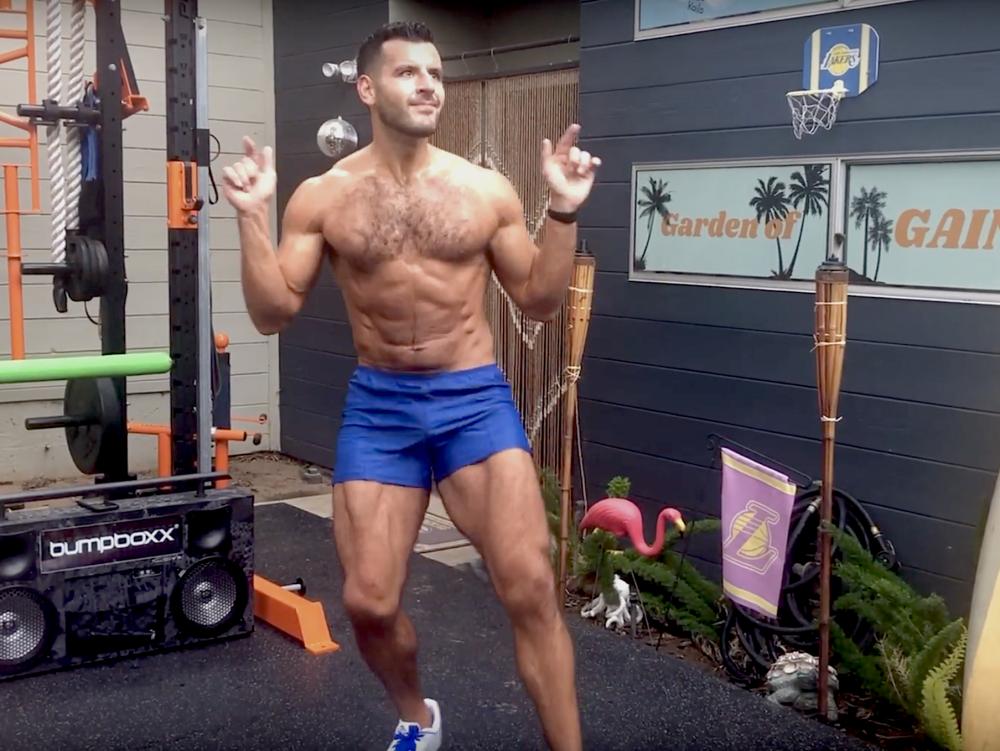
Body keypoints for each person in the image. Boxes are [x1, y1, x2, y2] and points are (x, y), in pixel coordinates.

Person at [222, 20, 600, 751]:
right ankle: (417, 717)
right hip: (382, 407)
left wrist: (561, 211)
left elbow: (539, 300)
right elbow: (273, 312)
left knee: (529, 585)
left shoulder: (482, 190)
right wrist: (251, 219)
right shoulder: (324, 197)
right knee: (368, 601)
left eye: (435, 73)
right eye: (408, 73)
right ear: (368, 88)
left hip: (472, 401)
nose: (428, 85)